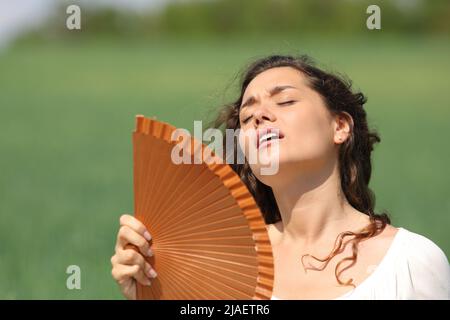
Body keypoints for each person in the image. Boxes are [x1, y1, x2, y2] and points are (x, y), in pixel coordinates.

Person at [111, 55, 450, 300]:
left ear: (340, 126)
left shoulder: (411, 261)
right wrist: (151, 293)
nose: (259, 115)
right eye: (246, 117)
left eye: (285, 100)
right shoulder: (220, 264)